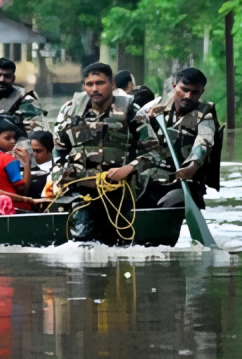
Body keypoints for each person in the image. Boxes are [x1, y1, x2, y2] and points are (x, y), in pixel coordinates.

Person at [52, 63, 159, 243]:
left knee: (120, 241)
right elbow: (59, 149)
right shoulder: (70, 111)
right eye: (90, 84)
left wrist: (128, 169)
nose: (95, 89)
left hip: (118, 188)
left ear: (112, 84)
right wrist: (57, 178)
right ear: (84, 86)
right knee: (82, 238)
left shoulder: (131, 111)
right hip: (80, 189)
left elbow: (154, 152)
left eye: (100, 83)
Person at [134, 67, 222, 209]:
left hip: (184, 184)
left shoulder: (206, 115)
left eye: (195, 92)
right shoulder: (155, 109)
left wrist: (192, 167)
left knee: (174, 202)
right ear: (174, 86)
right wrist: (147, 122)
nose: (188, 96)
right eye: (184, 89)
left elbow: (204, 142)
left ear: (202, 92)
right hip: (150, 182)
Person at [0, 115, 32, 210]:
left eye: (14, 137)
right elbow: (23, 190)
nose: (13, 141)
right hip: (14, 206)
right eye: (8, 138)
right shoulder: (8, 159)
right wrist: (27, 164)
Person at [28, 131, 54, 199]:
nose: (34, 154)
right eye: (32, 150)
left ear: (49, 151)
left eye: (38, 151)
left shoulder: (55, 168)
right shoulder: (24, 165)